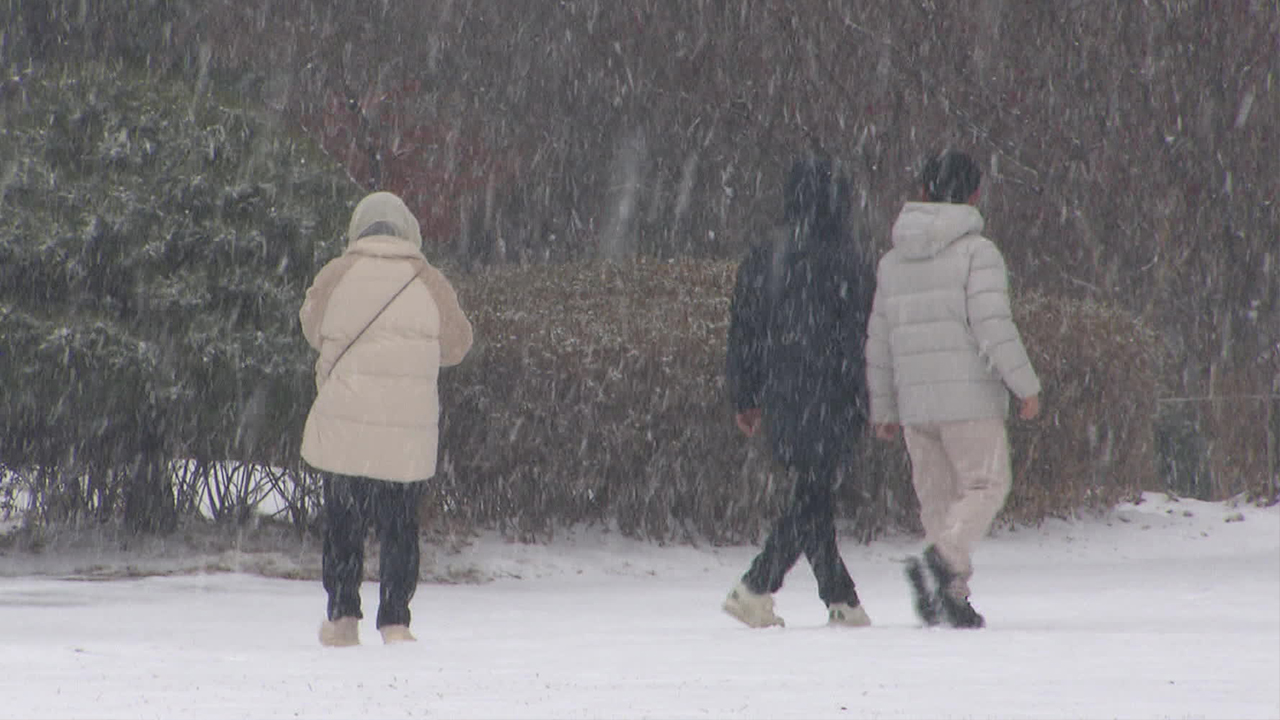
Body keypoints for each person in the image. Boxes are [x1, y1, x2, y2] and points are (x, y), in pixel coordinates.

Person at [865, 150, 1041, 629]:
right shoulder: (977, 253)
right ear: (974, 195)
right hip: (968, 400)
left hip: (915, 403)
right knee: (986, 483)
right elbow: (992, 325)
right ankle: (941, 564)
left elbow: (879, 339)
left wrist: (883, 406)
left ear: (922, 191)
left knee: (939, 499)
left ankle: (950, 596)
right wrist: (1023, 385)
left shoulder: (892, 261)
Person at [299, 191, 473, 647]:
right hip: (406, 429)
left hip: (346, 421)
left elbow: (312, 330)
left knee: (343, 524)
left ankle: (342, 619)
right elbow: (457, 345)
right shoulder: (428, 280)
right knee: (399, 527)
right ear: (407, 231)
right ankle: (395, 622)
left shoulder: (338, 272)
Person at [722, 155, 876, 629]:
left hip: (783, 394)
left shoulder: (766, 257)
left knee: (813, 498)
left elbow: (744, 331)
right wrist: (870, 398)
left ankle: (841, 599)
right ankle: (756, 585)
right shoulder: (849, 261)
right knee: (813, 497)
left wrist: (745, 395)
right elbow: (859, 337)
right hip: (834, 395)